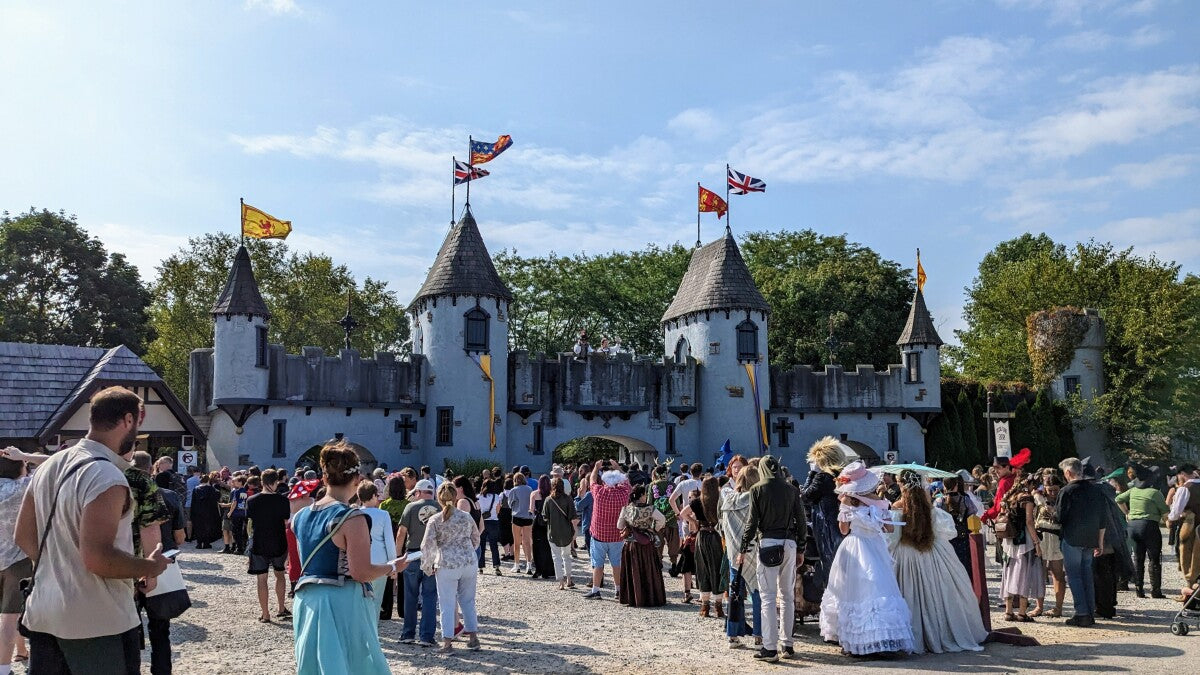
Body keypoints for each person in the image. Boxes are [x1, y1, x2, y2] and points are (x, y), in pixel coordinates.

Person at [14, 387, 170, 675]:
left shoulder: (50, 465)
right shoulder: (106, 475)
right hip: (97, 621)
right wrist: (151, 566)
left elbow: (23, 536)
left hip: (44, 613)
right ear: (127, 420)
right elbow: (98, 558)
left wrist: (60, 566)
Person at [291, 441, 402, 674]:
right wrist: (391, 566)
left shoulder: (300, 516)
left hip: (307, 598)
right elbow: (361, 572)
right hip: (341, 600)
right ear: (357, 479)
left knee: (315, 666)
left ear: (324, 477)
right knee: (353, 664)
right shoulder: (352, 518)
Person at [817, 461, 913, 659]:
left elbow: (844, 531)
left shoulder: (846, 502)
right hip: (875, 547)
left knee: (851, 592)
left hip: (853, 546)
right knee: (879, 589)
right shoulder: (881, 503)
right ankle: (882, 638)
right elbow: (890, 529)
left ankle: (853, 640)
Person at [891, 481, 987, 653]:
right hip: (934, 552)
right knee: (941, 593)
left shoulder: (897, 508)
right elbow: (949, 533)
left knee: (909, 594)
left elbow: (891, 539)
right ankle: (941, 631)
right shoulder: (932, 510)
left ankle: (913, 635)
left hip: (905, 556)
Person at [737, 455, 808, 663]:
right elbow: (801, 521)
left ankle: (770, 647)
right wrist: (801, 547)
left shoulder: (758, 489)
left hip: (768, 542)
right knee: (787, 595)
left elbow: (752, 522)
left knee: (768, 597)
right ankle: (788, 644)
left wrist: (743, 547)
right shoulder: (791, 490)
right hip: (790, 543)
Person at [0, 447, 46, 674]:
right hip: (18, 559)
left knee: (12, 613)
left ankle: (21, 650)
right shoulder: (24, 487)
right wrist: (25, 455)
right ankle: (3, 669)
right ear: (20, 466)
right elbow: (57, 461)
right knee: (12, 616)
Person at [422, 483, 482, 653]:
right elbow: (476, 537)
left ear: (438, 499)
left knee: (447, 604)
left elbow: (427, 545)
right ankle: (473, 638)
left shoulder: (435, 520)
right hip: (468, 562)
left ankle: (448, 642)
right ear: (456, 497)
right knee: (468, 601)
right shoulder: (466, 516)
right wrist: (468, 551)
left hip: (447, 564)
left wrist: (428, 565)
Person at [1056, 457, 1108, 627]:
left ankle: (1082, 613)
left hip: (1072, 538)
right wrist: (1099, 542)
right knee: (1087, 575)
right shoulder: (1096, 490)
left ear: (1068, 473)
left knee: (1074, 577)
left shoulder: (1067, 491)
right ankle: (1090, 611)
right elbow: (1102, 519)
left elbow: (1060, 517)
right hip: (1091, 538)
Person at [720, 464, 762, 649]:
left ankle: (733, 635)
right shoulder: (756, 499)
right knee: (758, 594)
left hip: (733, 553)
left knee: (735, 593)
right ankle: (759, 635)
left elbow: (724, 526)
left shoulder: (727, 499)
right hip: (753, 551)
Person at [801, 437, 847, 598]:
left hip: (825, 527)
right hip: (839, 525)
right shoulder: (841, 476)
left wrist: (811, 473)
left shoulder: (822, 478)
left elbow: (805, 496)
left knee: (830, 567)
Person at [396, 479, 439, 646]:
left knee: (410, 595)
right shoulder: (440, 508)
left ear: (418, 492)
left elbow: (401, 533)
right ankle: (427, 636)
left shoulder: (411, 507)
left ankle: (407, 634)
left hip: (413, 554)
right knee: (429, 596)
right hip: (432, 554)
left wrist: (398, 555)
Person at [1117, 466, 1170, 599]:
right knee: (1154, 558)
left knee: (1138, 558)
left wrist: (1127, 513)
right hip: (1149, 526)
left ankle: (1139, 589)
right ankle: (1155, 590)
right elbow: (1165, 513)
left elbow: (1118, 499)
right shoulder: (1155, 493)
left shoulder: (1133, 491)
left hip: (1133, 526)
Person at [680, 477, 729, 617]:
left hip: (701, 535)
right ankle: (718, 606)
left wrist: (694, 521)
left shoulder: (697, 501)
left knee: (703, 568)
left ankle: (705, 606)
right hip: (716, 535)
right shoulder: (720, 500)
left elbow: (683, 513)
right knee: (717, 568)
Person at [585, 460, 632, 599]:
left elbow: (592, 481)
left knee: (598, 564)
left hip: (599, 534)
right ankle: (618, 590)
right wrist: (618, 468)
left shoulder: (599, 492)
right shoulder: (623, 493)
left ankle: (596, 590)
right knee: (617, 564)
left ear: (604, 481)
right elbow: (627, 482)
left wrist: (595, 467)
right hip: (617, 535)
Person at [356, 480, 398, 624]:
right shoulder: (383, 514)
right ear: (374, 495)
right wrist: (393, 565)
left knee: (360, 599)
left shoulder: (354, 513)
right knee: (376, 598)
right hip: (380, 560)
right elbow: (389, 542)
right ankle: (372, 631)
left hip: (359, 560)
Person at [616, 485, 666, 606]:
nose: (646, 496)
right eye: (645, 494)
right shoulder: (650, 509)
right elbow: (662, 519)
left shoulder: (626, 509)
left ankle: (633, 597)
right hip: (646, 543)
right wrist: (653, 528)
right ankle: (649, 597)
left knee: (633, 570)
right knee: (648, 569)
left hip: (631, 544)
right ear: (641, 496)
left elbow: (619, 526)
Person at [1032, 475, 1066, 617]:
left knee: (1057, 574)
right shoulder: (1039, 499)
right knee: (1040, 574)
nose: (1052, 493)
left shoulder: (1063, 499)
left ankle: (1058, 607)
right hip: (1041, 538)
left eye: (1055, 490)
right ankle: (1038, 606)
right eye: (1050, 490)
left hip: (1056, 537)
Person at [378, 474, 409, 619]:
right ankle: (403, 610)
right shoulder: (407, 505)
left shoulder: (384, 505)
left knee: (389, 575)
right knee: (403, 577)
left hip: (388, 541)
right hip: (403, 542)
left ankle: (386, 610)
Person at [1167, 463, 1200, 603]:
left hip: (1191, 529)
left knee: (1189, 561)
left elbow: (1175, 513)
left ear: (1181, 474)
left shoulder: (1185, 489)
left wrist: (1169, 519)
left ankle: (1190, 595)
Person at [543, 477, 579, 590]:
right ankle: (569, 579)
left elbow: (544, 517)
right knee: (566, 556)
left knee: (556, 557)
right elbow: (573, 516)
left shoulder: (548, 500)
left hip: (553, 532)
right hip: (566, 532)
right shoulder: (568, 499)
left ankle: (561, 582)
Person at [649, 466, 680, 573]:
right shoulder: (673, 485)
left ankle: (659, 563)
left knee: (658, 542)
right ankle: (674, 563)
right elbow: (677, 503)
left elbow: (649, 504)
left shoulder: (652, 486)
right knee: (673, 543)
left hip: (657, 520)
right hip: (671, 519)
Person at [507, 473, 535, 574]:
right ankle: (529, 565)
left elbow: (510, 504)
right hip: (528, 517)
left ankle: (517, 565)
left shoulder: (513, 490)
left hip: (517, 516)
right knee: (527, 542)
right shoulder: (529, 489)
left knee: (517, 542)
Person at [477, 478, 504, 576]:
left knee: (481, 545)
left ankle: (480, 567)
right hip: (493, 521)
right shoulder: (496, 497)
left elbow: (477, 511)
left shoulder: (478, 497)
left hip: (482, 522)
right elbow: (498, 511)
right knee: (494, 545)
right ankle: (496, 566)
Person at [189, 472, 223, 549]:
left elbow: (193, 501)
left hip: (197, 511)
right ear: (208, 480)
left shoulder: (196, 489)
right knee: (208, 527)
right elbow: (217, 496)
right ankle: (206, 543)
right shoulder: (211, 489)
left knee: (198, 527)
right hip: (209, 511)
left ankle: (199, 543)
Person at [183, 466, 200, 542]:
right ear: (199, 472)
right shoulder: (200, 480)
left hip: (188, 502)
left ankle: (189, 537)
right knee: (198, 520)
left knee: (189, 520)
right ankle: (198, 536)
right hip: (198, 503)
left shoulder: (188, 480)